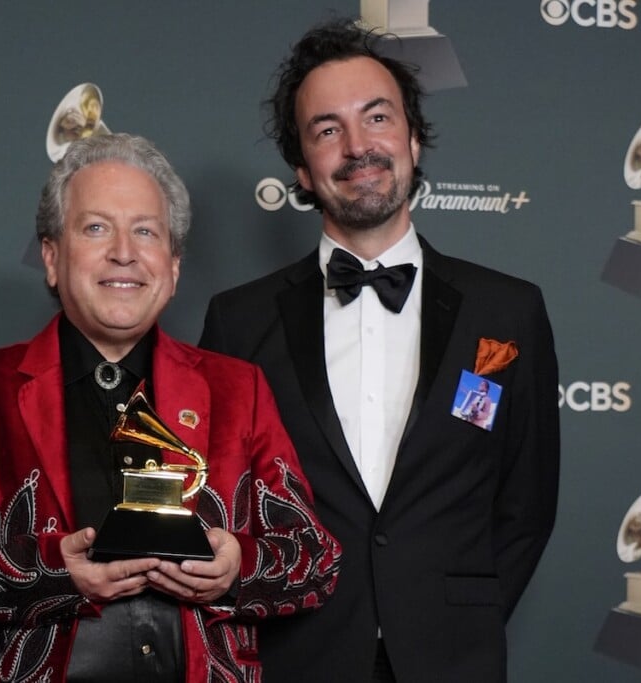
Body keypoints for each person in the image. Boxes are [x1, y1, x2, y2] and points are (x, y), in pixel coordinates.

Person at [0, 133, 340, 683]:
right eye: (96, 228)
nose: (124, 251)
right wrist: (53, 571)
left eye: (146, 231)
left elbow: (314, 559)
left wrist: (235, 568)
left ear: (173, 266)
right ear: (51, 257)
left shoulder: (237, 389)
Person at [199, 19, 559, 683]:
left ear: (414, 139)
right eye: (327, 129)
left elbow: (527, 507)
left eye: (377, 117)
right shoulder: (237, 322)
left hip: (454, 660)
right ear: (302, 170)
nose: (358, 146)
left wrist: (460, 620)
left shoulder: (509, 312)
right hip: (296, 656)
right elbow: (221, 504)